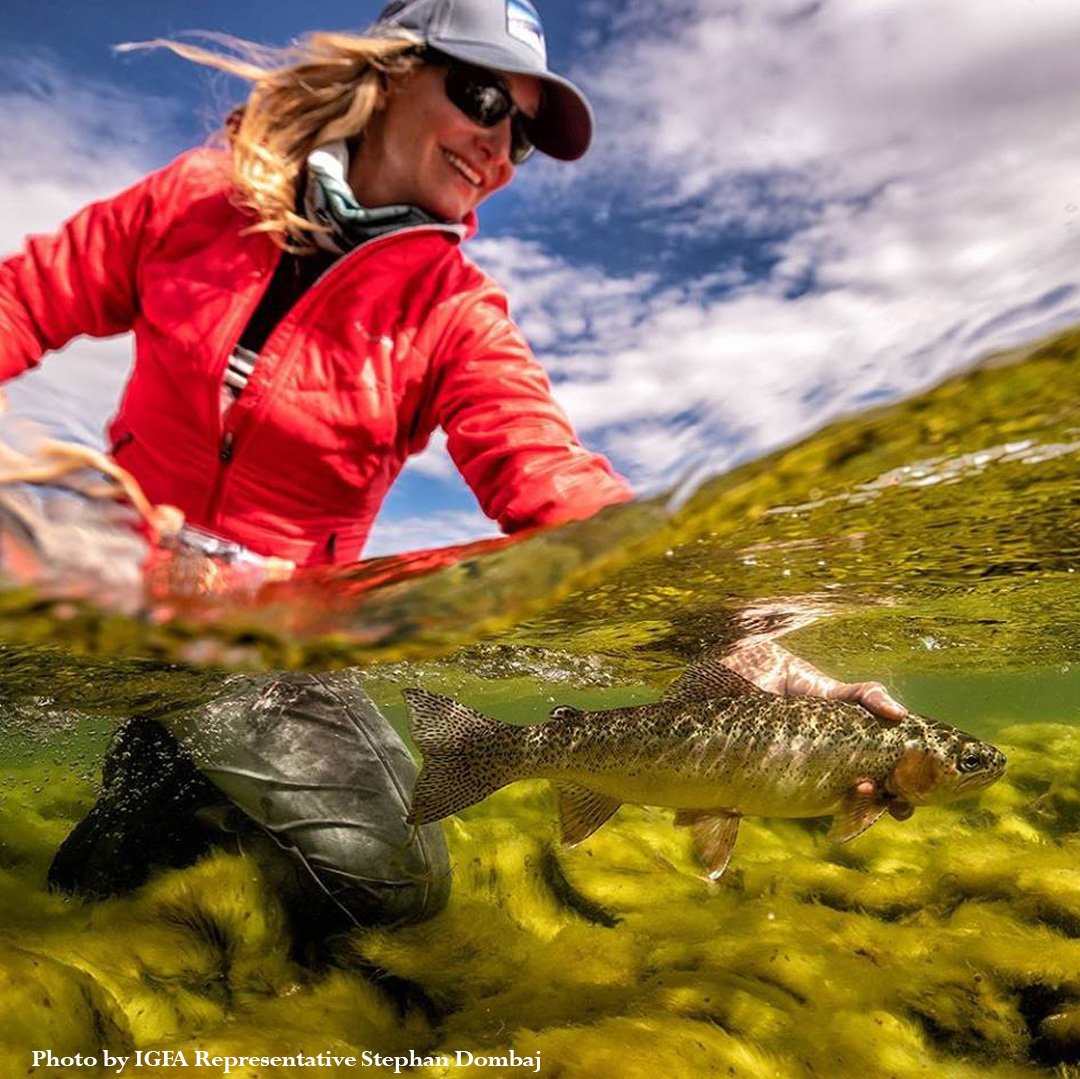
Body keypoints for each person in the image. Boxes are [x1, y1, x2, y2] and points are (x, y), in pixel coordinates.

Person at [0, 0, 906, 949]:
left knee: (405, 884)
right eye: (481, 99)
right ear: (388, 75)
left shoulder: (457, 315)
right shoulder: (194, 198)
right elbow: (26, 297)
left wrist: (736, 636)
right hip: (111, 587)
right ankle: (170, 757)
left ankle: (180, 772)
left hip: (277, 639)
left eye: (522, 136)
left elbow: (555, 484)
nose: (498, 148)